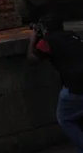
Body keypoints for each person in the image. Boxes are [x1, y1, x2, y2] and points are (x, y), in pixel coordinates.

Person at [27, 13, 83, 151]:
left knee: (64, 118)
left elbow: (31, 59)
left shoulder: (47, 41)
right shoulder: (72, 35)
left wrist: (32, 39)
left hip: (76, 87)